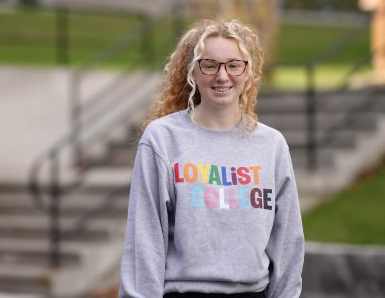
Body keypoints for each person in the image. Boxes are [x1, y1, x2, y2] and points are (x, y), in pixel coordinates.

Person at [118, 19, 304, 298]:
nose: (222, 76)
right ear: (193, 70)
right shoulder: (163, 139)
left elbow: (287, 241)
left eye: (233, 65)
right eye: (210, 64)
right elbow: (144, 240)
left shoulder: (272, 145)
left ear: (248, 71)